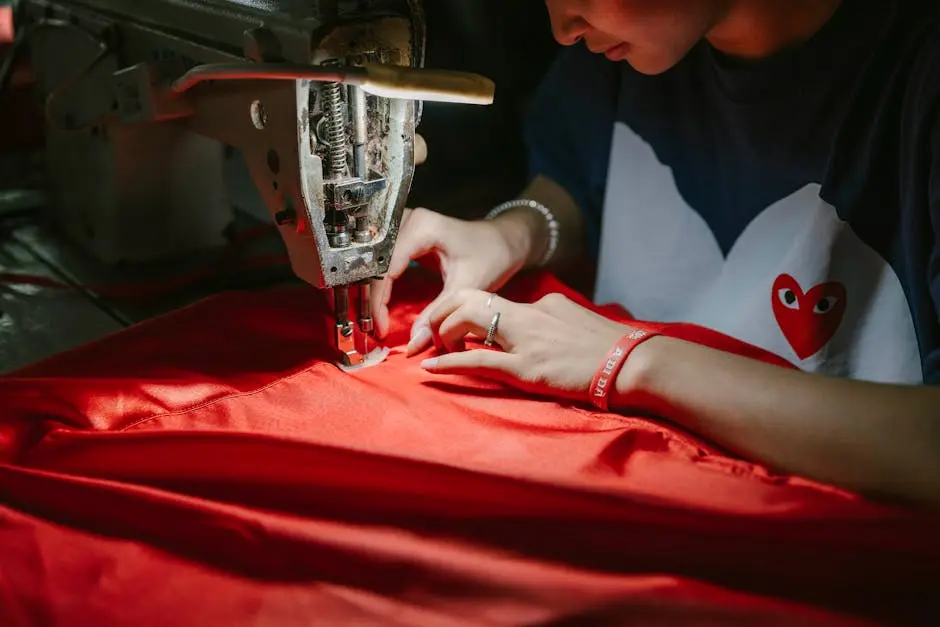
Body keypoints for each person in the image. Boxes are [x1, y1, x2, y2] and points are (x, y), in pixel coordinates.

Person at [369, 0, 940, 507]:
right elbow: (579, 182)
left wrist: (632, 360)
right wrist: (513, 233)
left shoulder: (916, 78)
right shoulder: (631, 46)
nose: (562, 26)